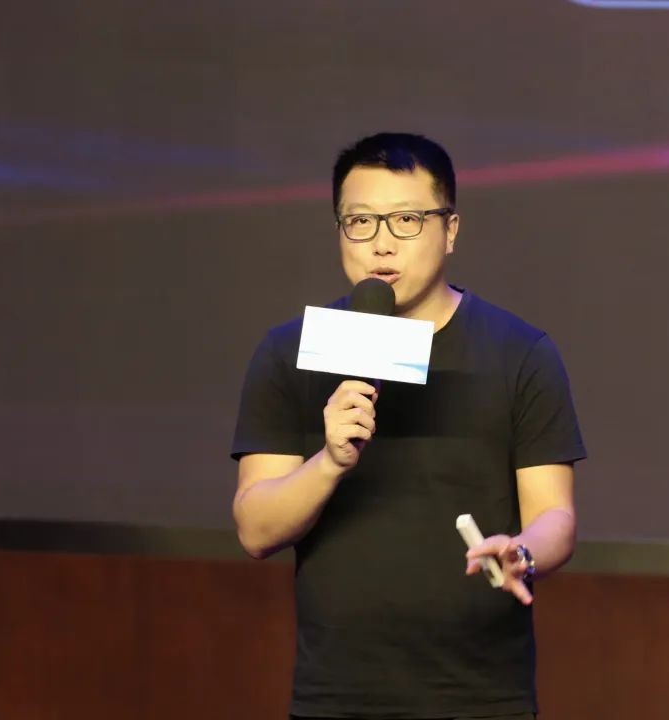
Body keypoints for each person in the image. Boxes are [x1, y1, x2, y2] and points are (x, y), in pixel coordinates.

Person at [231, 132, 586, 720]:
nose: (381, 243)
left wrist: (521, 552)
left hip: (480, 698)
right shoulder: (290, 351)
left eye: (406, 220)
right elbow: (255, 530)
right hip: (335, 698)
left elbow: (556, 517)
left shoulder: (520, 353)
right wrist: (330, 462)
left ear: (450, 230)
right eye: (360, 222)